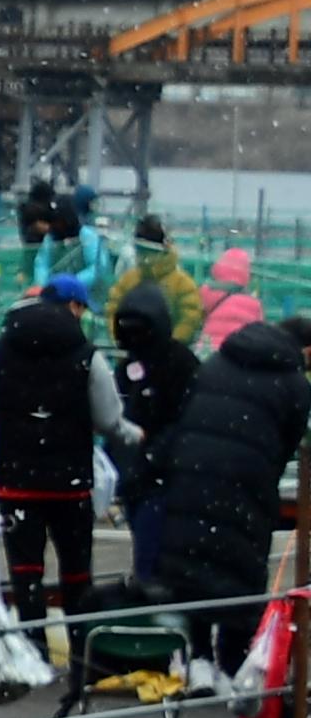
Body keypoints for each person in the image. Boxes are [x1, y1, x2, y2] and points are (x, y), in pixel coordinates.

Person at [0, 278, 136, 622]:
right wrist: (137, 436)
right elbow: (110, 421)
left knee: (26, 573)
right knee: (77, 574)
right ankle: (82, 653)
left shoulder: (1, 350)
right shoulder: (86, 355)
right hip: (70, 481)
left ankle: (34, 652)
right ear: (74, 307)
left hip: (16, 481)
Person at [152, 314, 311, 700]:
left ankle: (201, 660)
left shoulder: (216, 364)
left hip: (191, 479)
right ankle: (234, 663)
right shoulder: (292, 383)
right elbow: (291, 443)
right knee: (240, 569)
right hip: (247, 485)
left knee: (194, 565)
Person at [109, 283, 197, 573]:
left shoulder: (180, 364)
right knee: (146, 558)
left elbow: (186, 421)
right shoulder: (126, 368)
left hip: (165, 480)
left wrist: (153, 456)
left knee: (153, 564)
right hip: (136, 479)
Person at [107, 215, 204, 345]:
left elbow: (189, 320)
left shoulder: (183, 284)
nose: (143, 258)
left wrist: (169, 347)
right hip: (131, 352)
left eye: (148, 252)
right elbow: (112, 311)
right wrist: (120, 340)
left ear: (162, 251)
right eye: (140, 251)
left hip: (168, 359)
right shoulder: (128, 280)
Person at [200, 245, 263, 349]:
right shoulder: (253, 303)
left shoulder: (206, 292)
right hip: (237, 351)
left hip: (209, 349)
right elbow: (259, 332)